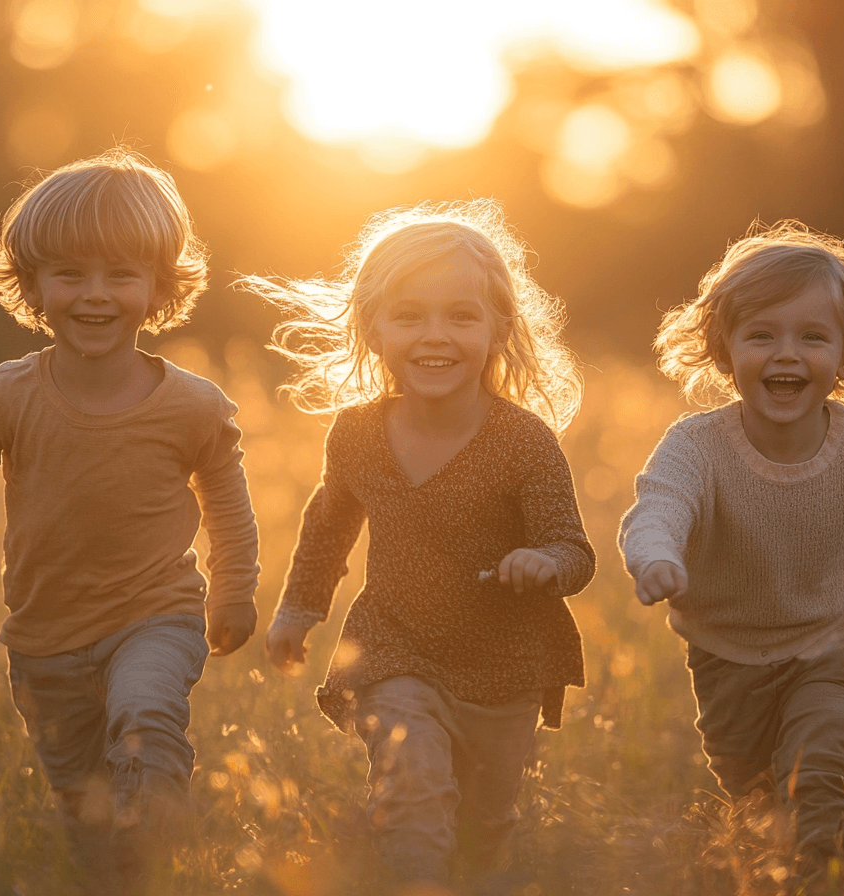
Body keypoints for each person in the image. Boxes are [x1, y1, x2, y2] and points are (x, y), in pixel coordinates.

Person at [0, 148, 260, 894]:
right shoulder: (7, 395)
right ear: (32, 285)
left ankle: (161, 860)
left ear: (158, 287)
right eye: (70, 274)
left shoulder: (192, 404)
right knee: (85, 814)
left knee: (145, 720)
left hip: (156, 616)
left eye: (122, 275)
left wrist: (232, 594)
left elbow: (227, 501)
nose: (95, 295)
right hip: (44, 642)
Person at [242, 200, 595, 890]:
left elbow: (574, 552)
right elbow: (327, 527)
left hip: (506, 664)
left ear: (498, 327)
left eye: (461, 316)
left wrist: (544, 562)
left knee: (485, 829)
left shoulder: (524, 442)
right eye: (410, 315)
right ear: (374, 328)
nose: (436, 335)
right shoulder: (356, 434)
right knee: (413, 792)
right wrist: (297, 611)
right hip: (393, 646)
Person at [618, 221, 844, 875]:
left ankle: (835, 873)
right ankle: (777, 865)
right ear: (725, 351)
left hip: (832, 644)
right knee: (758, 801)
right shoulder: (696, 446)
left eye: (812, 337)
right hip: (727, 659)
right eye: (762, 335)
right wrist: (656, 556)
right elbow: (660, 505)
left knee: (823, 762)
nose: (787, 354)